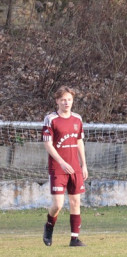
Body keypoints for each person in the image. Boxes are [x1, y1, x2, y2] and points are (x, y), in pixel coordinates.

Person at [42, 86, 88, 247]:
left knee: (76, 202)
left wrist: (84, 164)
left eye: (69, 99)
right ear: (57, 101)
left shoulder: (77, 119)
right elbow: (47, 144)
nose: (66, 102)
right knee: (58, 205)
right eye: (63, 100)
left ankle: (74, 239)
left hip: (75, 167)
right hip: (58, 168)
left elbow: (79, 141)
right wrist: (61, 162)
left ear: (72, 101)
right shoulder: (51, 119)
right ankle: (49, 226)